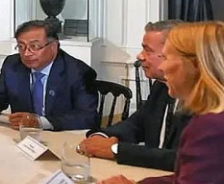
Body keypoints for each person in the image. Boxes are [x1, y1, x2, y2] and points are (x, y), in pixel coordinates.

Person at [84, 21, 224, 184]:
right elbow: (202, 178)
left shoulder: (215, 128)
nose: (163, 66)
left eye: (168, 57)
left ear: (195, 65)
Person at [79, 20, 190, 171]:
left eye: (147, 50)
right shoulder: (161, 85)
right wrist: (101, 137)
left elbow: (180, 158)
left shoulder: (203, 99)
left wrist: (116, 150)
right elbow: (136, 124)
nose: (140, 56)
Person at [0, 20, 98, 131]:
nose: (26, 53)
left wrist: (40, 122)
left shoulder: (78, 72)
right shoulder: (12, 65)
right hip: (20, 137)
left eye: (34, 46)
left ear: (54, 46)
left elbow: (87, 117)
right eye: (21, 47)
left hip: (61, 136)